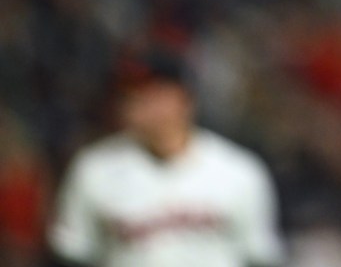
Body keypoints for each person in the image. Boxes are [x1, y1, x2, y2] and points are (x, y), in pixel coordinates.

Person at [48, 48, 286, 267]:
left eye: (155, 94)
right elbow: (73, 254)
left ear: (185, 99)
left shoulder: (238, 170)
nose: (141, 106)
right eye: (130, 96)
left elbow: (260, 256)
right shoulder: (94, 169)